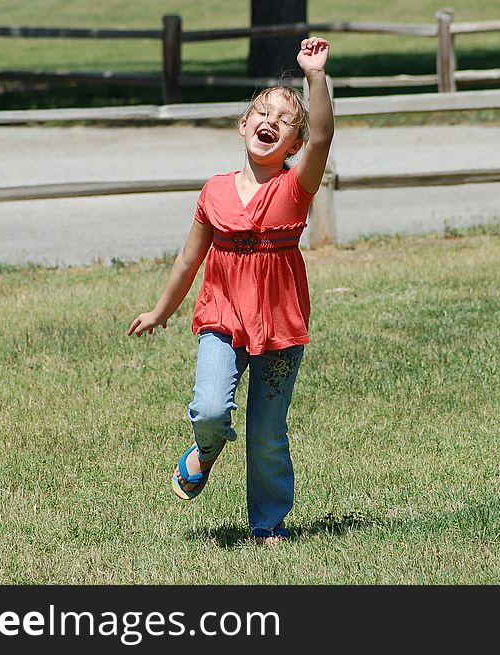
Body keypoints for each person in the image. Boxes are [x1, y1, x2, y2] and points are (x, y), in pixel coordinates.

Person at [128, 37, 333, 546]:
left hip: (280, 325)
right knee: (211, 410)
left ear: (291, 145)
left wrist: (315, 77)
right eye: (261, 112)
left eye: (284, 120)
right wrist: (160, 310)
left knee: (267, 434)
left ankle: (267, 523)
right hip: (223, 318)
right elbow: (187, 259)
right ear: (242, 125)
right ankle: (207, 447)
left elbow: (324, 136)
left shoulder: (293, 189)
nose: (269, 121)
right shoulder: (214, 191)